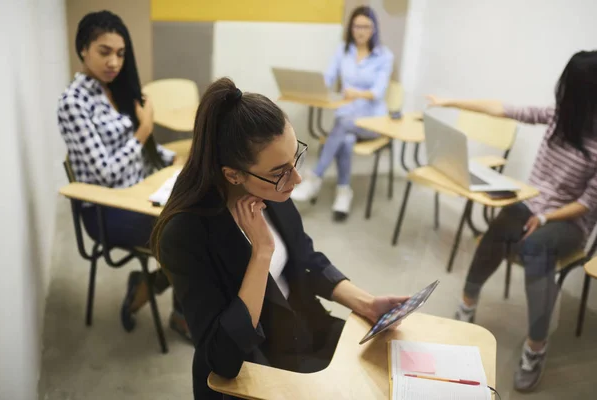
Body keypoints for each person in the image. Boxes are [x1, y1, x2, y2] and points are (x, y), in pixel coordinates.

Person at [151, 77, 409, 400]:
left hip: (304, 331)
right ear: (233, 174)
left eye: (295, 158)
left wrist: (367, 303)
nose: (297, 178)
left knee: (393, 370)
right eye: (280, 170)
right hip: (257, 368)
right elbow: (223, 355)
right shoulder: (185, 235)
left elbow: (306, 258)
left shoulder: (271, 191)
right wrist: (261, 253)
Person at [427, 50, 597, 392]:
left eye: (568, 88)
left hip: (569, 222)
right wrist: (450, 101)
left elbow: (586, 203)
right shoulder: (557, 117)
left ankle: (536, 348)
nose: (560, 92)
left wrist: (546, 216)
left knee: (535, 248)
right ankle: (467, 303)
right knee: (502, 225)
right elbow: (503, 109)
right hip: (530, 202)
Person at [57, 10, 190, 340]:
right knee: (187, 236)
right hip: (106, 208)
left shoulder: (119, 89)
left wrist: (176, 161)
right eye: (104, 52)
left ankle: (154, 289)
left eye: (120, 53)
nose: (113, 62)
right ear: (83, 48)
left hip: (142, 194)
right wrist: (143, 130)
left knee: (200, 218)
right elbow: (103, 174)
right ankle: (162, 303)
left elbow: (146, 154)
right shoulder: (73, 102)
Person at [290, 6, 394, 221]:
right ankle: (343, 193)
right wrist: (315, 87)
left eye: (366, 26)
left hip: (373, 123)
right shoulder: (343, 50)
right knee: (345, 138)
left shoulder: (384, 56)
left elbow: (378, 92)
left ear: (374, 29)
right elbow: (329, 78)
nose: (361, 30)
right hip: (346, 121)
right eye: (357, 26)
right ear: (351, 28)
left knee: (343, 125)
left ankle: (315, 177)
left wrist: (355, 92)